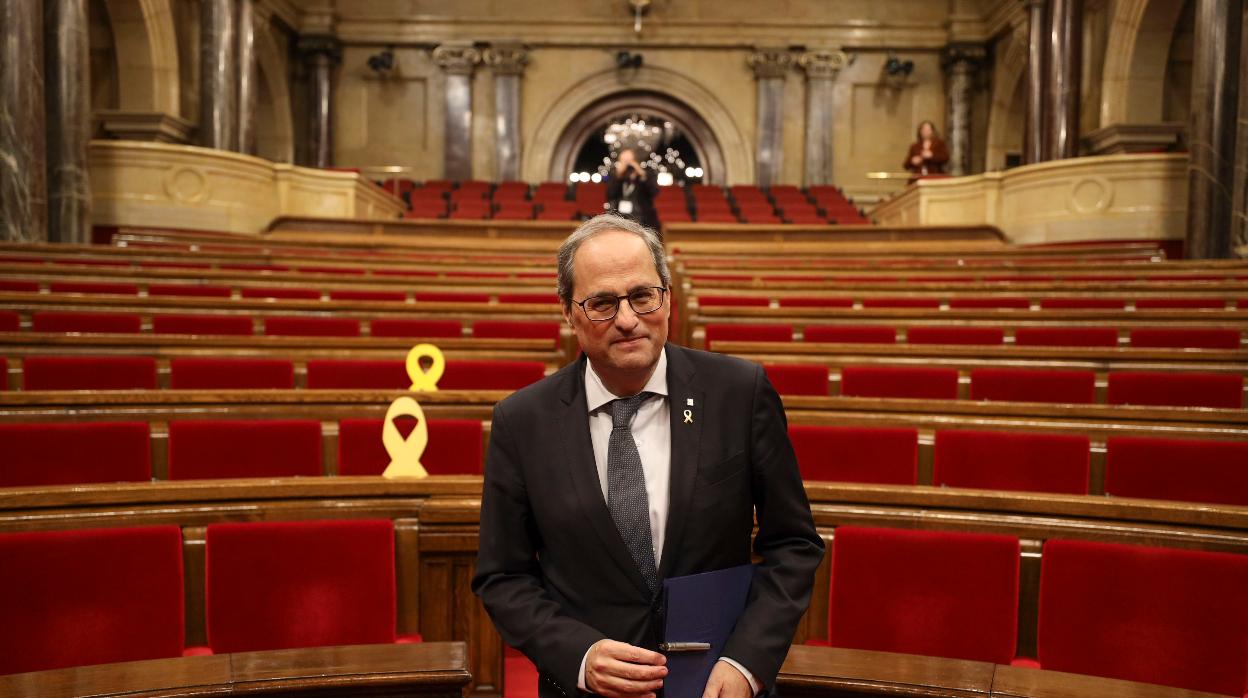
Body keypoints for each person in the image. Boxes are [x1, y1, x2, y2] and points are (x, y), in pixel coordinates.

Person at [472, 213, 823, 698]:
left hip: (716, 687)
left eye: (642, 295)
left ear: (667, 298)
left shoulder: (740, 393)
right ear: (568, 312)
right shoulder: (521, 421)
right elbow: (503, 577)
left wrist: (746, 662)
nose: (627, 319)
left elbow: (795, 546)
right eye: (601, 303)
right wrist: (578, 655)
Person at [606, 149, 661, 233]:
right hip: (620, 217)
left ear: (635, 161)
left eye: (629, 160)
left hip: (642, 217)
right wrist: (618, 176)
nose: (627, 164)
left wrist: (641, 174)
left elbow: (654, 192)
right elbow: (610, 194)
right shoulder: (617, 177)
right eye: (623, 161)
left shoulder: (646, 175)